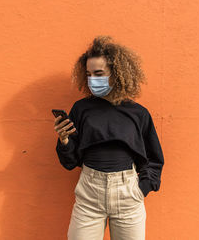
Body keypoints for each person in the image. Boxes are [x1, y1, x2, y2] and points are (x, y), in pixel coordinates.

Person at [53, 35, 164, 240]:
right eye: (88, 74)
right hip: (89, 195)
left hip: (128, 194)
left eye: (99, 73)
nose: (93, 79)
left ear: (116, 73)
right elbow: (71, 162)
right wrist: (65, 140)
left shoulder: (138, 113)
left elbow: (154, 157)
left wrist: (143, 188)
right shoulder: (81, 109)